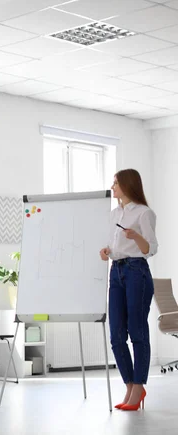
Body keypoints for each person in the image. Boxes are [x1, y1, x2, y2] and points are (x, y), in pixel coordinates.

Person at [99, 169, 157, 411]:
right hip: (116, 271)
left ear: (127, 185)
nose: (113, 187)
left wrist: (135, 237)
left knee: (137, 330)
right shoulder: (114, 213)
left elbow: (151, 248)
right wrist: (106, 252)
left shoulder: (144, 213)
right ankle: (131, 384)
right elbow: (113, 246)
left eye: (116, 183)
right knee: (116, 335)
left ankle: (138, 387)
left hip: (136, 272)